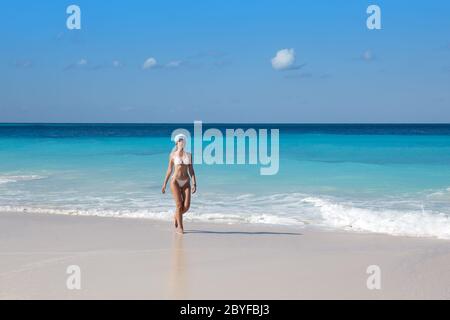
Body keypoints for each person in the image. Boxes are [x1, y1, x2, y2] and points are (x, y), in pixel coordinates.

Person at [162, 134, 197, 234]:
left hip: (186, 182)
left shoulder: (189, 155)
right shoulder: (172, 155)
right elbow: (169, 170)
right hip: (175, 181)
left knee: (186, 206)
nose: (182, 142)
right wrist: (164, 183)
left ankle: (176, 215)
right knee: (178, 205)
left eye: (183, 141)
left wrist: (194, 183)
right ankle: (180, 228)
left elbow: (191, 170)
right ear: (176, 143)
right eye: (180, 141)